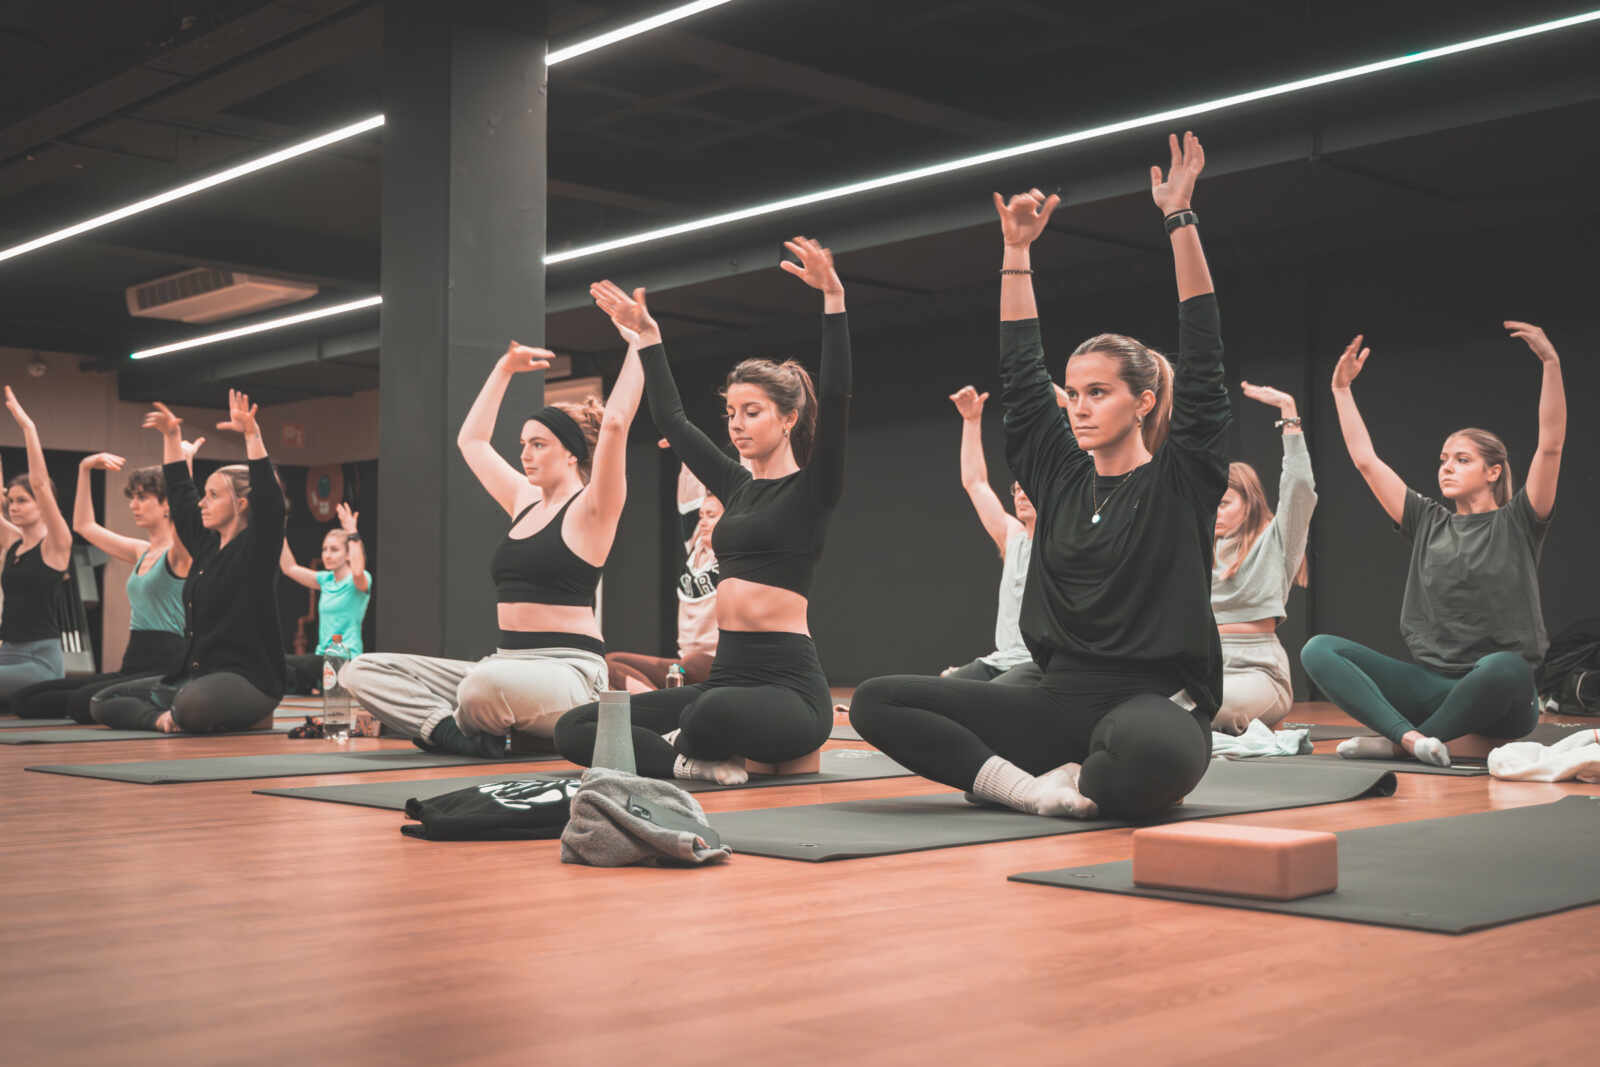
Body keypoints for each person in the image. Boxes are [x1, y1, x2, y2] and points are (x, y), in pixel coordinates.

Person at [848, 132, 1227, 820]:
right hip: (1053, 698)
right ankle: (1026, 788)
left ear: (1142, 402)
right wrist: (1016, 252)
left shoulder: (1180, 479)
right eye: (1075, 393)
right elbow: (1023, 379)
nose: (1079, 407)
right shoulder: (1058, 474)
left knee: (1140, 763)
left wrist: (1179, 218)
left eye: (1099, 393)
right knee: (878, 699)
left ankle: (1070, 775)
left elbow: (1203, 359)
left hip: (1151, 701)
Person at [554, 235, 849, 784]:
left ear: (787, 419)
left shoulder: (813, 489)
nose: (736, 423)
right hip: (724, 678)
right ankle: (688, 761)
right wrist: (649, 337)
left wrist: (832, 299)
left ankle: (691, 744)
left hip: (789, 689)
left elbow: (835, 399)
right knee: (576, 726)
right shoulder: (736, 486)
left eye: (752, 411)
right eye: (732, 411)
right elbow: (672, 420)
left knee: (710, 713)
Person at [340, 326, 644, 757]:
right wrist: (503, 369)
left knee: (480, 688)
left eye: (538, 445)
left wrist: (639, 342)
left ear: (572, 453)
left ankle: (471, 723)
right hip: (505, 665)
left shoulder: (594, 508)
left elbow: (615, 422)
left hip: (570, 674)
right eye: (523, 444)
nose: (525, 454)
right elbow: (472, 441)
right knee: (360, 670)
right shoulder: (523, 497)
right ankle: (449, 732)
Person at [1300, 321, 1564, 766]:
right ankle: (1411, 740)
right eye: (1443, 459)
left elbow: (1551, 447)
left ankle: (1395, 743)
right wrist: (1341, 392)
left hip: (1500, 697)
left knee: (1506, 667)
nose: (1447, 467)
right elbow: (1367, 462)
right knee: (1318, 649)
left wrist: (1551, 364)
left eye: (1462, 460)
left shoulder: (1519, 520)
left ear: (1493, 471)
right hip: (1430, 688)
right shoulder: (1426, 520)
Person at [89, 391, 288, 733]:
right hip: (196, 675)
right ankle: (162, 720)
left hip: (249, 679)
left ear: (242, 503)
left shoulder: (256, 548)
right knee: (99, 702)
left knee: (191, 704)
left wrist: (252, 436)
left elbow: (270, 503)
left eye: (213, 496)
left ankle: (199, 713)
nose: (203, 503)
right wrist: (171, 438)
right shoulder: (207, 546)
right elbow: (182, 497)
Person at [12, 447, 196, 720]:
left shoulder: (180, 555)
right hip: (133, 664)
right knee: (26, 698)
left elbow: (187, 518)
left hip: (165, 667)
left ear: (167, 504)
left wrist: (183, 463)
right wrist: (84, 468)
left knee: (77, 704)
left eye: (143, 498)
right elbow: (84, 526)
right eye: (132, 497)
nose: (134, 505)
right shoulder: (140, 550)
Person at [1209, 381, 1316, 733]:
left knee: (1211, 707)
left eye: (1223, 503)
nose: (1214, 513)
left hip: (1257, 671)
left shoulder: (1274, 541)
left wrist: (1288, 413)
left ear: (1249, 502)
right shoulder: (1195, 547)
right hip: (1200, 667)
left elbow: (1299, 487)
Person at [937, 384, 1039, 686]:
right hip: (999, 661)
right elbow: (975, 482)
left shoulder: (1061, 539)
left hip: (1037, 665)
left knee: (988, 702)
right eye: (1016, 489)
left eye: (1028, 489)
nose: (1020, 495)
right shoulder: (1013, 536)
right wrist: (971, 421)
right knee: (942, 690)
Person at [605, 462, 723, 692]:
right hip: (686, 659)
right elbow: (689, 497)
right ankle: (663, 705)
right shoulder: (697, 546)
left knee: (689, 664)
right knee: (609, 663)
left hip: (713, 659)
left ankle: (663, 705)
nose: (704, 521)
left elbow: (750, 488)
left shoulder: (735, 554)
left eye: (712, 515)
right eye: (702, 515)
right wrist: (685, 448)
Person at [1, 386, 72, 707]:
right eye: (10, 501)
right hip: (6, 653)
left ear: (41, 504)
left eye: (22, 501)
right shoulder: (13, 544)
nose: (14, 507)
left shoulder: (56, 544)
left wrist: (28, 428)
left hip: (40, 663)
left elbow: (41, 484)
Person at [281, 502, 371, 692]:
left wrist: (353, 533)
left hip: (346, 658)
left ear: (348, 554)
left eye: (334, 550)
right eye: (324, 549)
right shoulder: (326, 580)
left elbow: (357, 571)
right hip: (323, 658)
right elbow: (289, 568)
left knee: (286, 663)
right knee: (285, 670)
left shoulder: (359, 581)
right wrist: (277, 527)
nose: (327, 555)